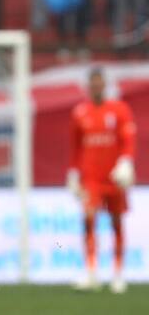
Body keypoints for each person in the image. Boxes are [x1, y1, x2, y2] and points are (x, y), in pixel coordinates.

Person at [67, 68, 136, 293]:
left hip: (114, 177)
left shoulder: (119, 109)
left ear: (104, 85)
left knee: (116, 222)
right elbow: (76, 147)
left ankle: (118, 273)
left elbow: (128, 140)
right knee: (88, 220)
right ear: (88, 87)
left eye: (99, 83)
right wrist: (73, 173)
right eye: (93, 83)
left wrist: (126, 161)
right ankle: (91, 271)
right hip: (91, 179)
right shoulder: (80, 112)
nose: (96, 87)